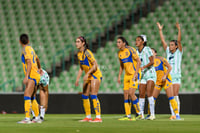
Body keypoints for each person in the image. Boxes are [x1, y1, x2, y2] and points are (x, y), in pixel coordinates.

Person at [156, 22, 183, 120]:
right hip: (168, 76)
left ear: (176, 46)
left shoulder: (179, 52)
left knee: (175, 94)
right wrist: (160, 30)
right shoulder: (168, 51)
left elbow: (179, 41)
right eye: (170, 45)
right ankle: (173, 114)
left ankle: (177, 114)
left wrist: (179, 30)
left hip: (176, 76)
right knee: (171, 96)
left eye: (172, 45)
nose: (170, 46)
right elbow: (163, 41)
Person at [75, 36, 102, 122]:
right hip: (88, 75)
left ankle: (98, 117)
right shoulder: (79, 54)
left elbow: (95, 65)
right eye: (76, 42)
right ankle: (88, 116)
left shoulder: (87, 52)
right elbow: (81, 67)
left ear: (83, 43)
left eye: (78, 42)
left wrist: (88, 74)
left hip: (95, 75)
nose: (76, 43)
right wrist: (77, 79)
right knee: (84, 95)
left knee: (93, 95)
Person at [117, 36, 142, 121]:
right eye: (117, 42)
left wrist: (135, 74)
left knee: (131, 93)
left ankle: (139, 113)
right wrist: (119, 76)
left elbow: (139, 61)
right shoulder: (119, 53)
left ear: (124, 43)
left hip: (134, 74)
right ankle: (128, 116)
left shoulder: (131, 49)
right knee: (126, 95)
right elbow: (121, 65)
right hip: (126, 75)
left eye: (119, 42)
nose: (117, 44)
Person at [151, 48, 181, 120]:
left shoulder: (161, 59)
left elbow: (170, 67)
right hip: (158, 82)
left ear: (155, 53)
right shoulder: (149, 62)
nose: (150, 53)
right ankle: (151, 114)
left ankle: (177, 115)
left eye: (152, 52)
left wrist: (165, 75)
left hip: (166, 80)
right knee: (152, 99)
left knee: (171, 97)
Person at [18, 34, 41, 123]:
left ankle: (27, 118)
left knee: (27, 95)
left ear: (20, 42)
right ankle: (37, 117)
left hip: (32, 75)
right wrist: (40, 68)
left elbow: (29, 62)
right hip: (36, 75)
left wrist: (26, 76)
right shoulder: (31, 49)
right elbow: (37, 59)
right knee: (32, 97)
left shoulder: (25, 50)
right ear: (28, 41)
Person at [136, 35, 157, 120]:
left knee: (149, 93)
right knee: (141, 94)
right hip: (143, 75)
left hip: (150, 73)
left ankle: (152, 114)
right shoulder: (137, 51)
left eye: (138, 40)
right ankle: (141, 114)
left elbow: (152, 61)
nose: (136, 41)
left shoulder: (147, 49)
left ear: (143, 42)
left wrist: (143, 67)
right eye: (136, 40)